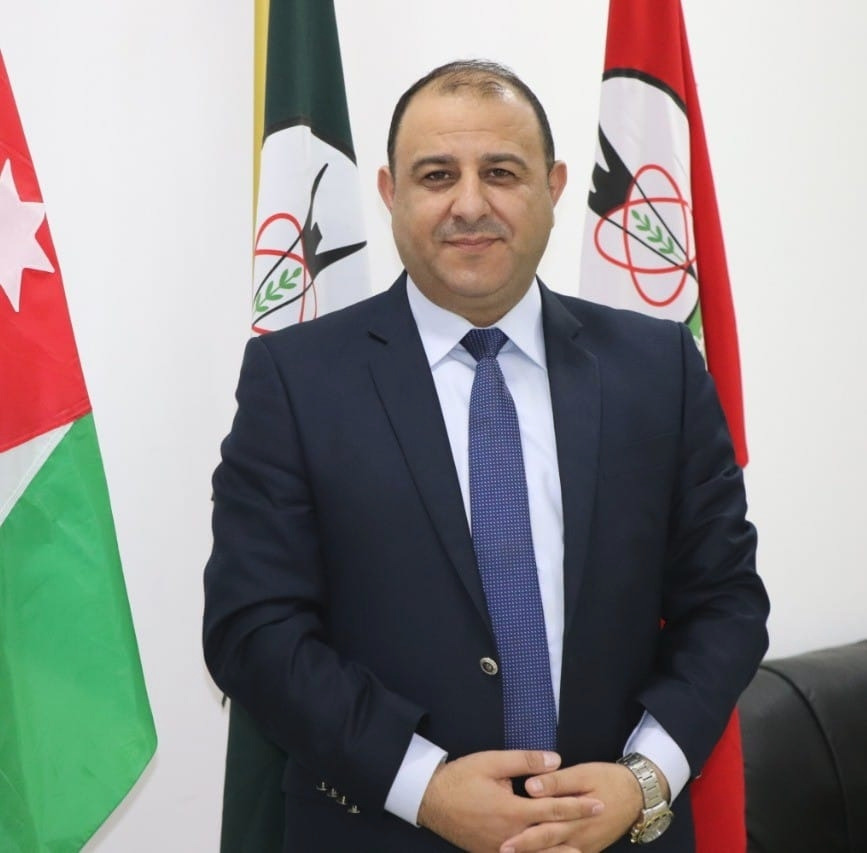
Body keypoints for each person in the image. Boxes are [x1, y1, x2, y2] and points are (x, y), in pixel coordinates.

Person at [203, 60, 769, 852]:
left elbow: (726, 603)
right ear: (390, 192)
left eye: (500, 172)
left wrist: (643, 778)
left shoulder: (658, 367)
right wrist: (423, 787)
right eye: (436, 175)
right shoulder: (295, 380)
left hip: (614, 833)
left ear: (554, 186)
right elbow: (253, 628)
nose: (469, 204)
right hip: (381, 830)